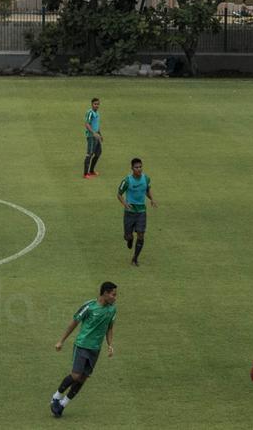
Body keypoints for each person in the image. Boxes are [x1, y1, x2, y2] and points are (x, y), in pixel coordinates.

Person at [50, 281, 117, 418]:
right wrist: (61, 341)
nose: (115, 298)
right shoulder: (89, 306)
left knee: (83, 378)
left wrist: (110, 345)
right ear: (105, 293)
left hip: (95, 349)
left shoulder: (112, 309)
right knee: (75, 375)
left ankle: (62, 405)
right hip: (82, 345)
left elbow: (109, 328)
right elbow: (74, 323)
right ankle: (56, 397)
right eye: (113, 294)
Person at [117, 158, 157, 266]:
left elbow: (147, 190)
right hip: (129, 212)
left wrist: (152, 199)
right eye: (136, 167)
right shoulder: (127, 180)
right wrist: (125, 203)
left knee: (141, 234)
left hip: (141, 212)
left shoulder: (146, 178)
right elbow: (119, 194)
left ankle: (135, 258)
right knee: (128, 236)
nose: (139, 169)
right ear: (132, 168)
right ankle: (129, 239)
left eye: (140, 167)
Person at [83, 98, 102, 179]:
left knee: (98, 153)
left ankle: (91, 171)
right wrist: (94, 133)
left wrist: (100, 134)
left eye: (98, 104)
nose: (96, 105)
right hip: (91, 137)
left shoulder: (97, 113)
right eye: (95, 104)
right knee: (89, 154)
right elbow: (87, 124)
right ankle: (85, 173)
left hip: (97, 136)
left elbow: (96, 125)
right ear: (92, 104)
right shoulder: (90, 113)